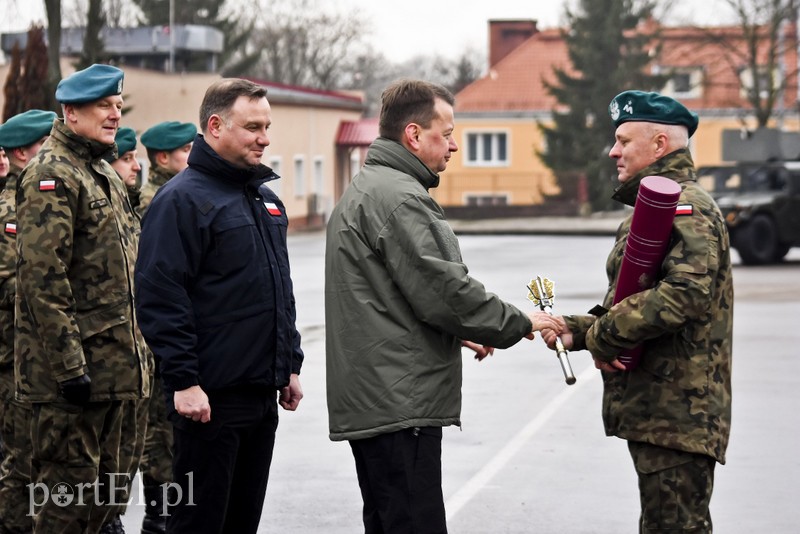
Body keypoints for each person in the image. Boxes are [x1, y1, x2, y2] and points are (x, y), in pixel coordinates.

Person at [324, 79, 557, 534]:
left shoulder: (369, 189)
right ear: (413, 135)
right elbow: (447, 291)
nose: (453, 146)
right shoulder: (400, 198)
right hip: (399, 403)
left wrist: (455, 330)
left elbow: (394, 295)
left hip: (379, 397)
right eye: (446, 133)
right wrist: (516, 322)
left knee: (389, 520)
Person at [542, 90, 733, 533]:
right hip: (664, 413)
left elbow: (685, 293)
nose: (613, 151)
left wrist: (604, 335)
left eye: (624, 141)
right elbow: (635, 300)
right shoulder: (658, 205)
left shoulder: (686, 207)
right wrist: (577, 329)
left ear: (660, 145)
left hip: (678, 414)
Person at [134, 78, 304, 534]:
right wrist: (185, 380)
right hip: (207, 405)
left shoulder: (265, 201)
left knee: (242, 522)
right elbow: (160, 297)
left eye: (267, 126)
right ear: (214, 125)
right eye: (253, 127)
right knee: (199, 524)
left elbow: (278, 291)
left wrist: (289, 364)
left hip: (260, 397)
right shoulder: (181, 201)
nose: (264, 138)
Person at [14, 64, 152, 533]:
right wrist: (71, 366)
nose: (114, 114)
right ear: (71, 112)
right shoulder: (50, 174)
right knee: (64, 508)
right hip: (74, 381)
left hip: (118, 371)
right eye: (103, 106)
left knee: (106, 506)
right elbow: (42, 278)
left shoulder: (102, 173)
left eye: (117, 105)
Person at [0, 109, 57, 534]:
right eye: (47, 142)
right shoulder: (9, 208)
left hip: (44, 355)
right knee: (20, 460)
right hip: (13, 357)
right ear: (25, 152)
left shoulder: (44, 194)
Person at [137, 120, 196, 217]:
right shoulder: (152, 200)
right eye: (186, 150)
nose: (193, 154)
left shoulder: (180, 190)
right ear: (163, 158)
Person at [110, 126, 143, 210]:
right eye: (127, 158)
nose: (137, 167)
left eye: (136, 157)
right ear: (106, 163)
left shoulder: (132, 199)